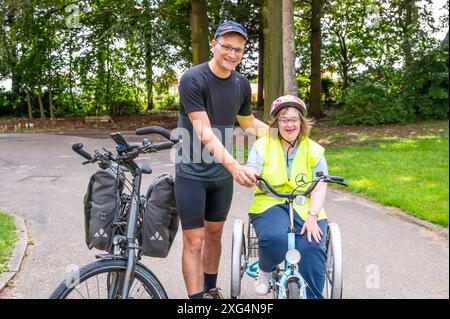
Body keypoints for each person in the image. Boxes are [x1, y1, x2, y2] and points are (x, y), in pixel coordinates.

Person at [175, 21, 268, 299]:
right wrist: (235, 165)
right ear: (214, 44)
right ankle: (196, 300)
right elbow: (203, 131)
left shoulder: (241, 84)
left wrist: (288, 137)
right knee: (194, 240)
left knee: (214, 235)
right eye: (226, 46)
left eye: (238, 49)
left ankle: (210, 288)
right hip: (191, 172)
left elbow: (248, 122)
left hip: (220, 176)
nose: (231, 53)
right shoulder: (193, 78)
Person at [246, 95, 329, 299]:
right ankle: (265, 270)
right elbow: (252, 170)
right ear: (276, 123)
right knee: (276, 238)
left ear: (301, 122)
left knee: (312, 245)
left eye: (294, 119)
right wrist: (251, 175)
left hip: (304, 205)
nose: (289, 124)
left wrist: (312, 217)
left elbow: (320, 185)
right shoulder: (262, 146)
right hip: (269, 202)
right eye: (284, 120)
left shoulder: (314, 150)